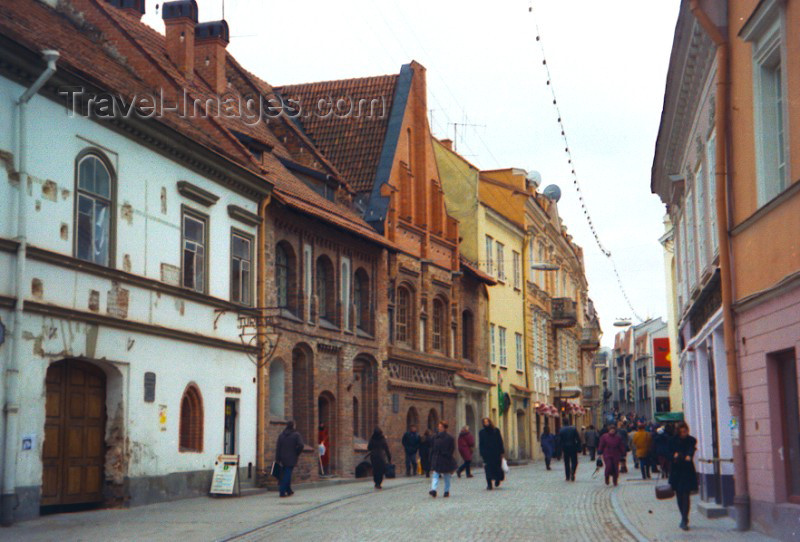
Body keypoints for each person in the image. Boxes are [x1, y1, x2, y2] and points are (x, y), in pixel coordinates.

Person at [669, 421, 698, 531]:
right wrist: (673, 455)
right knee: (679, 495)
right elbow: (668, 453)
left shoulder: (691, 440)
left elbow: (691, 449)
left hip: (687, 470)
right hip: (676, 470)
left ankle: (684, 519)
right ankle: (683, 517)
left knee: (686, 494)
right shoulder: (672, 441)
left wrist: (689, 455)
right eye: (681, 432)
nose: (683, 433)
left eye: (685, 431)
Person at [275, 421, 304, 498]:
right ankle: (282, 491)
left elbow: (278, 448)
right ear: (293, 426)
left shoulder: (281, 435)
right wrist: (297, 452)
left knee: (285, 473)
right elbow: (301, 445)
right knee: (287, 474)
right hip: (291, 457)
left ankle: (289, 490)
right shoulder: (296, 435)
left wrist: (277, 459)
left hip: (282, 458)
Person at [429, 421, 457, 498]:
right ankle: (433, 490)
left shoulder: (449, 438)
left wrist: (447, 454)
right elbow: (432, 446)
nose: (439, 428)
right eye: (439, 426)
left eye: (441, 426)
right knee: (435, 474)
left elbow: (452, 448)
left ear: (444, 428)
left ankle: (446, 491)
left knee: (446, 476)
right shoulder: (435, 437)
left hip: (445, 459)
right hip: (437, 458)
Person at [479, 417, 505, 490]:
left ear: (490, 422)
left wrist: (502, 452)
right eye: (484, 422)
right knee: (488, 469)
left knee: (497, 468)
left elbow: (500, 441)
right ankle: (489, 484)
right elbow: (481, 443)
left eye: (487, 422)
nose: (486, 423)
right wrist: (482, 452)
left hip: (496, 453)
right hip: (487, 454)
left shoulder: (496, 431)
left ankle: (497, 479)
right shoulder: (481, 432)